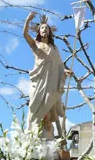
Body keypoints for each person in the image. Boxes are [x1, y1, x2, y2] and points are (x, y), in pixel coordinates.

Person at [23, 11, 72, 141]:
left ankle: (46, 136)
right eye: (42, 28)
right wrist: (28, 21)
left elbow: (60, 65)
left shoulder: (54, 49)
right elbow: (25, 35)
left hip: (51, 82)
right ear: (39, 32)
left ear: (50, 32)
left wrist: (65, 72)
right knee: (34, 106)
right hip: (38, 82)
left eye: (46, 28)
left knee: (49, 104)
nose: (44, 30)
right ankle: (32, 135)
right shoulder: (36, 45)